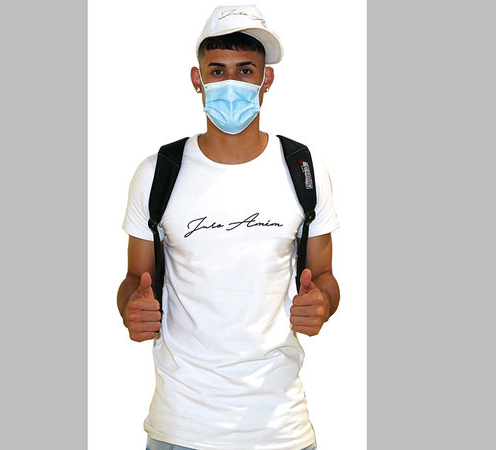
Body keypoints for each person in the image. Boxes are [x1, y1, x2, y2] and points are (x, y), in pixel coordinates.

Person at [117, 5, 340, 450]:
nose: (231, 84)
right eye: (217, 71)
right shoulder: (158, 172)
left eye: (245, 70)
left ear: (266, 79)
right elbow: (132, 281)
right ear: (197, 79)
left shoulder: (303, 169)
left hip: (279, 429)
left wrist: (323, 303)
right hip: (180, 427)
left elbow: (325, 277)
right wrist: (131, 309)